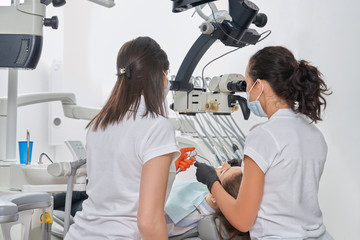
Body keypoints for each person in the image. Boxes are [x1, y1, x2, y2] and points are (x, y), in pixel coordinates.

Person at [194, 46, 333, 239]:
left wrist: (212, 181)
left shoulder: (263, 135)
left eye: (248, 85)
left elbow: (243, 220)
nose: (248, 94)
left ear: (259, 85)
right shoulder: (314, 134)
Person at [65, 36, 185, 240]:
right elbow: (149, 222)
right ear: (159, 76)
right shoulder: (157, 126)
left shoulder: (98, 124)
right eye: (166, 73)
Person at [166, 162, 249, 240]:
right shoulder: (206, 191)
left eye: (223, 171)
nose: (225, 164)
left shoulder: (186, 216)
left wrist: (167, 171)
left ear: (214, 197)